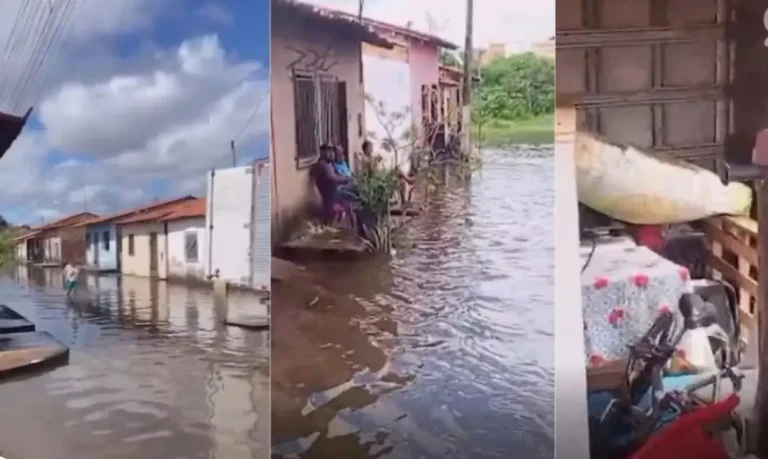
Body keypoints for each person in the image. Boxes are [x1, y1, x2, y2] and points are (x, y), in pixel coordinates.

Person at [312, 144, 356, 224]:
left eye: (332, 151)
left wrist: (346, 178)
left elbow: (337, 175)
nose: (332, 154)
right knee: (356, 191)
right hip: (332, 195)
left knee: (354, 190)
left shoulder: (328, 164)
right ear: (322, 153)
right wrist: (347, 179)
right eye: (329, 151)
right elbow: (333, 179)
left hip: (334, 192)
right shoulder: (323, 165)